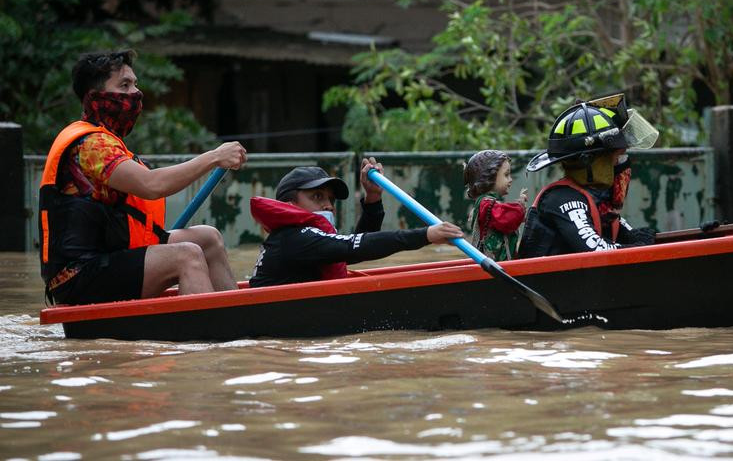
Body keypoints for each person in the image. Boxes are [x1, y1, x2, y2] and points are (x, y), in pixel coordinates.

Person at [39, 49, 247, 306]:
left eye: (135, 84)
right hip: (79, 276)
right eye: (124, 85)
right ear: (96, 97)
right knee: (187, 255)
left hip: (110, 258)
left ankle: (235, 317)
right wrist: (214, 157)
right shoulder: (91, 145)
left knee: (207, 238)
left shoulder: (111, 143)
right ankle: (207, 334)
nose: (135, 93)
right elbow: (152, 185)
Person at [249, 158, 463, 287]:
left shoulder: (300, 238)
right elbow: (355, 247)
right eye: (317, 197)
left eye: (331, 200)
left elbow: (351, 249)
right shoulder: (294, 238)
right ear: (290, 205)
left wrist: (372, 198)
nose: (329, 206)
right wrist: (427, 235)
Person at [518, 94, 659, 258]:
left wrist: (639, 239)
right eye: (615, 158)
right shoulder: (564, 199)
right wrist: (637, 247)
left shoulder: (598, 203)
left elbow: (631, 236)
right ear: (589, 161)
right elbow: (596, 250)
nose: (620, 166)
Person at [463, 150, 528, 261]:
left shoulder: (487, 203)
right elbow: (506, 219)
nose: (510, 179)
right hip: (494, 266)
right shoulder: (486, 204)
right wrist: (520, 207)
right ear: (490, 177)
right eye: (506, 175)